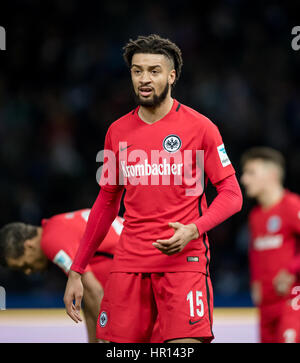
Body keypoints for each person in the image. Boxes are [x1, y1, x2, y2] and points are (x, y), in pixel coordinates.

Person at [64, 34, 243, 343]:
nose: (144, 79)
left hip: (184, 265)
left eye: (154, 71)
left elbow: (231, 193)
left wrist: (193, 230)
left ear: (172, 76)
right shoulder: (117, 132)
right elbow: (107, 201)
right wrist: (77, 270)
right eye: (137, 71)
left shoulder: (201, 128)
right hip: (129, 265)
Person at [0, 209, 124, 343]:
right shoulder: (57, 224)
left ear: (28, 246)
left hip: (136, 267)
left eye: (24, 265)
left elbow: (94, 290)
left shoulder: (50, 243)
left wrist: (111, 341)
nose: (28, 272)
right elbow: (89, 300)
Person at [241, 147, 300, 343]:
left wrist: (292, 270)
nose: (244, 179)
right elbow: (255, 252)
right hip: (266, 307)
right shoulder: (255, 216)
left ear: (272, 174)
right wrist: (255, 282)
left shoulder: (292, 206)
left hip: (292, 300)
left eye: (251, 172)